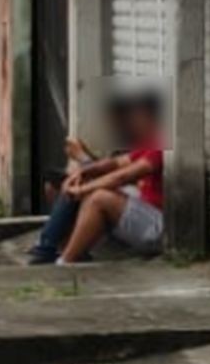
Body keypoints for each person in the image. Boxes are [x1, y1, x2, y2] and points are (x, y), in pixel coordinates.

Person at [27, 93, 165, 265]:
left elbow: (122, 176)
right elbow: (116, 164)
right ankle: (55, 246)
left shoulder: (162, 146)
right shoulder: (149, 141)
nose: (134, 122)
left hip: (159, 226)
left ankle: (66, 260)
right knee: (71, 183)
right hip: (145, 206)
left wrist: (83, 188)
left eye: (138, 116)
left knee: (98, 198)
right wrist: (84, 174)